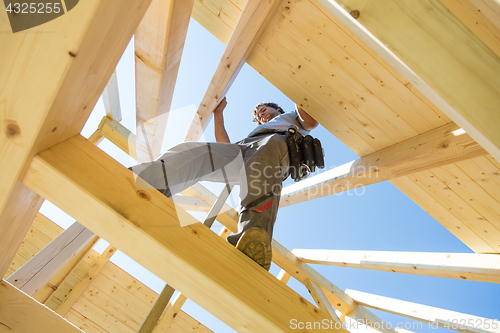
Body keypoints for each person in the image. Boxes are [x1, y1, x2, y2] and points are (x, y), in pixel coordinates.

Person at [130, 98, 318, 270]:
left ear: (277, 108)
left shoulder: (290, 118)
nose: (261, 114)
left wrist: (298, 94)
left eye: (264, 109)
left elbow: (310, 122)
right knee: (196, 152)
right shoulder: (257, 131)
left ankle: (252, 237)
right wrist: (218, 114)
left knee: (264, 157)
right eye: (258, 114)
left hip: (277, 146)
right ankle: (148, 182)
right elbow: (224, 145)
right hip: (245, 149)